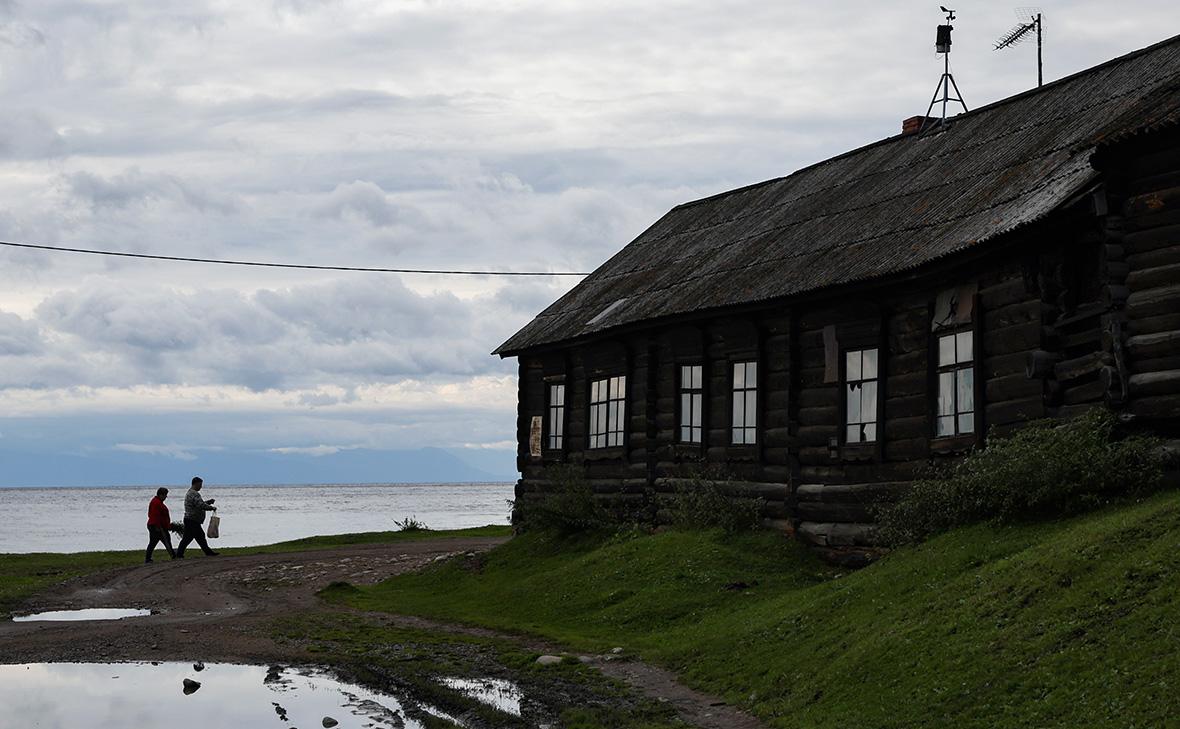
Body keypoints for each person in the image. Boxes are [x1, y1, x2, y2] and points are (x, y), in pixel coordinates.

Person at [176, 476, 219, 558]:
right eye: (200, 485)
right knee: (199, 536)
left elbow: (197, 504)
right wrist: (211, 508)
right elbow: (200, 505)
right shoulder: (194, 493)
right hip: (192, 520)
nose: (201, 487)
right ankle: (208, 552)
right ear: (195, 484)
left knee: (189, 538)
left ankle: (179, 554)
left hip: (189, 519)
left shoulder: (190, 493)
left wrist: (208, 502)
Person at [145, 487, 175, 563]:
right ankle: (173, 556)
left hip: (156, 525)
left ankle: (148, 558)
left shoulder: (157, 502)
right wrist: (158, 526)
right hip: (157, 526)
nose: (166, 497)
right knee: (166, 540)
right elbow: (155, 515)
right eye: (165, 495)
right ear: (161, 495)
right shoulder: (156, 503)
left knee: (153, 542)